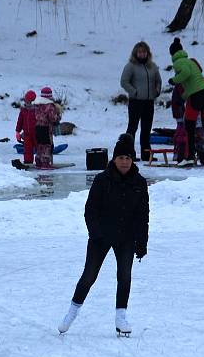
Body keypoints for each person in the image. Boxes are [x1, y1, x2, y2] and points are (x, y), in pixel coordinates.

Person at [57, 134, 149, 336]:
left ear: (132, 160)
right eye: (120, 158)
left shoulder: (139, 183)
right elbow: (90, 210)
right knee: (89, 276)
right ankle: (71, 314)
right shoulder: (102, 180)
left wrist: (142, 241)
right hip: (101, 236)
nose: (124, 162)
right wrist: (96, 233)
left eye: (127, 158)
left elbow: (143, 214)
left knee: (124, 276)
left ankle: (121, 317)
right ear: (114, 160)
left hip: (126, 237)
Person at [167, 38, 204, 167]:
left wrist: (174, 80)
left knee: (189, 126)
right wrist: (185, 95)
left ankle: (190, 157)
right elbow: (196, 76)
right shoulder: (191, 61)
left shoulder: (178, 63)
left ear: (172, 54)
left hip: (196, 96)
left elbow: (186, 73)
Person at [120, 41, 162, 161]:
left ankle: (146, 154)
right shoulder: (130, 66)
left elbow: (158, 80)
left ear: (147, 53)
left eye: (144, 52)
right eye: (139, 52)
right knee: (132, 128)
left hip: (149, 101)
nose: (142, 54)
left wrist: (157, 90)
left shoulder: (152, 66)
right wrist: (134, 92)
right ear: (135, 53)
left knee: (146, 128)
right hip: (136, 101)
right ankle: (129, 154)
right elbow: (124, 82)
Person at [34, 86, 61, 169]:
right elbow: (52, 118)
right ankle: (45, 163)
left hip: (37, 127)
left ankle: (38, 161)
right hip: (46, 128)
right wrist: (58, 117)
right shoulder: (50, 106)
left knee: (39, 145)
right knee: (46, 145)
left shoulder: (36, 105)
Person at [15, 90, 37, 165]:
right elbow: (20, 121)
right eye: (26, 101)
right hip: (27, 134)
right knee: (27, 149)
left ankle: (40, 161)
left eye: (29, 101)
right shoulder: (23, 110)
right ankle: (28, 162)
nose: (27, 103)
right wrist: (17, 131)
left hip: (36, 133)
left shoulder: (37, 110)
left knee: (39, 147)